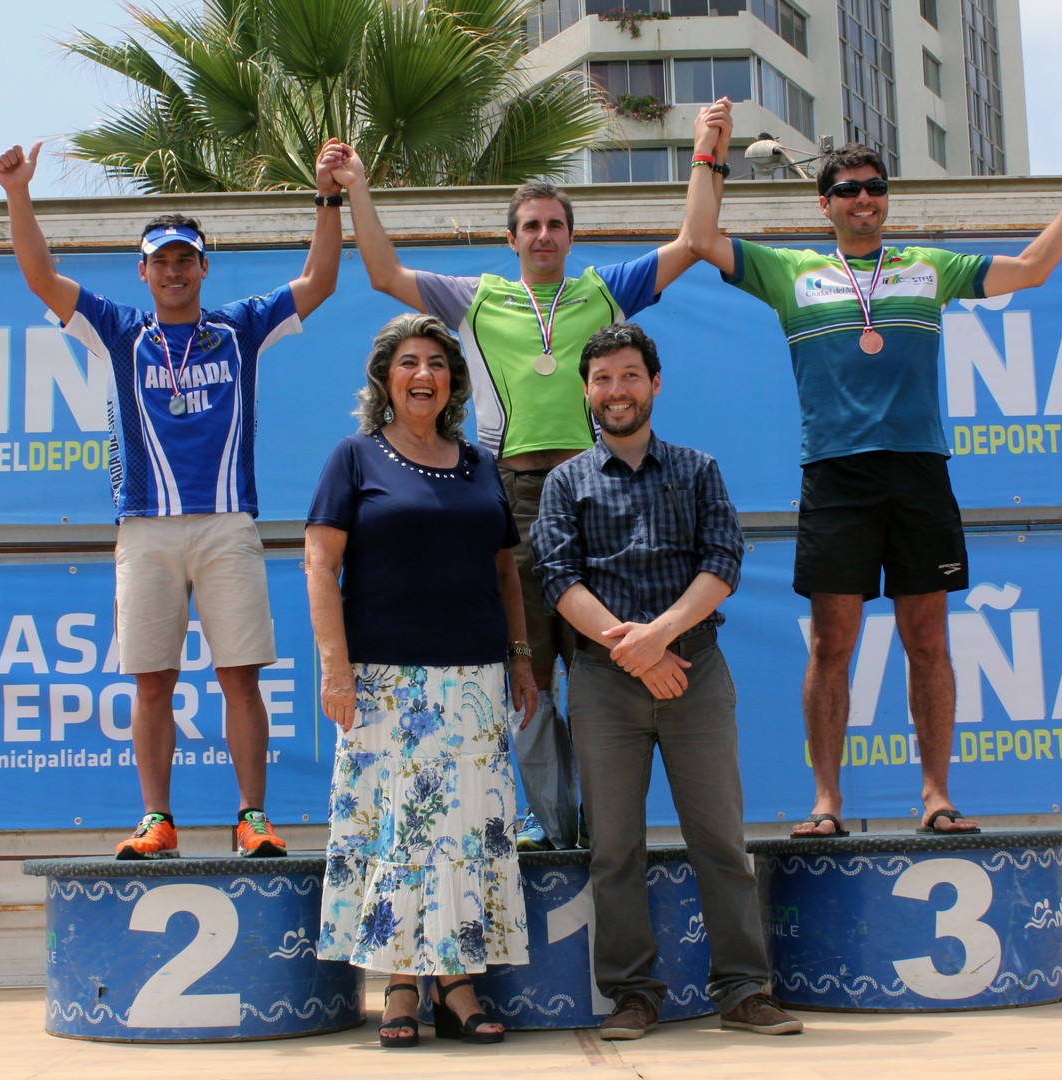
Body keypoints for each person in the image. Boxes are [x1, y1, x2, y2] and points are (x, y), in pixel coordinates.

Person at [686, 107, 1062, 838]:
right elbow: (698, 238)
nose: (864, 200)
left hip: (918, 473)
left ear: (887, 197)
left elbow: (1035, 269)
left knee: (928, 639)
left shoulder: (929, 266)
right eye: (848, 189)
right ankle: (826, 801)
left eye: (875, 187)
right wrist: (707, 154)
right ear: (824, 203)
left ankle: (937, 796)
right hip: (836, 475)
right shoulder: (792, 271)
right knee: (831, 643)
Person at [324, 106, 731, 851]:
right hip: (509, 490)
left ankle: (607, 831)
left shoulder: (606, 291)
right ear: (512, 239)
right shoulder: (477, 298)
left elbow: (693, 242)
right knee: (530, 670)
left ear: (572, 237)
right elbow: (382, 272)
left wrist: (707, 150)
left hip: (596, 490)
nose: (544, 236)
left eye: (555, 224)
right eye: (531, 226)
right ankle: (555, 823)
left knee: (608, 659)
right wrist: (354, 186)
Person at [0, 139, 347, 858]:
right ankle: (157, 820)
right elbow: (40, 278)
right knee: (152, 682)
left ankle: (252, 817)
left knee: (238, 675)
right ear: (144, 271)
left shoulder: (239, 330)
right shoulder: (122, 332)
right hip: (146, 528)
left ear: (203, 268)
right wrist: (18, 194)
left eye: (186, 258)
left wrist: (328, 197)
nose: (175, 271)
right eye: (162, 260)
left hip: (225, 523)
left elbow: (320, 279)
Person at [531, 323, 802, 1041]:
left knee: (718, 837)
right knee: (614, 847)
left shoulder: (698, 469)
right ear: (585, 391)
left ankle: (744, 989)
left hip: (696, 673)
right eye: (602, 379)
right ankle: (631, 995)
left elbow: (723, 561)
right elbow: (559, 579)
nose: (615, 391)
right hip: (604, 680)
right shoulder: (566, 482)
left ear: (654, 384)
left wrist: (659, 638)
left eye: (629, 376)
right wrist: (637, 650)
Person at [306, 313, 537, 1048]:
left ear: (453, 381)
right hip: (383, 685)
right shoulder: (354, 458)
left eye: (437, 362)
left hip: (473, 681)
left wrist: (522, 655)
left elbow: (505, 569)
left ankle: (459, 984)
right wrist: (334, 668)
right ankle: (400, 985)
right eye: (409, 362)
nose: (424, 375)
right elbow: (319, 565)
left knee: (465, 832)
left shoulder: (478, 465)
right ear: (385, 378)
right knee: (396, 834)